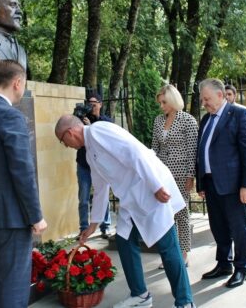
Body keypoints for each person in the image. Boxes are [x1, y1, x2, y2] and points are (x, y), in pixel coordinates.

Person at [55, 115, 196, 308]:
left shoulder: (99, 131)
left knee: (167, 246)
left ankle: (185, 302)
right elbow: (101, 188)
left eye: (63, 141)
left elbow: (135, 152)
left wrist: (155, 186)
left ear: (70, 133)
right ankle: (140, 295)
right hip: (132, 200)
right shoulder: (89, 153)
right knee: (123, 239)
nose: (67, 146)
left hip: (150, 189)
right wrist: (92, 225)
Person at [0, 59, 47, 308]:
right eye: (23, 84)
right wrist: (36, 216)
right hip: (12, 220)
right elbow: (22, 171)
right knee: (13, 289)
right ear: (17, 82)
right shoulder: (10, 117)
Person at [196, 78, 246, 289]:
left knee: (238, 228)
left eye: (207, 99)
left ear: (220, 95)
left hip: (233, 185)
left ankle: (241, 268)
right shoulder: (205, 119)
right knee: (218, 227)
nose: (204, 103)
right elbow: (201, 151)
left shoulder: (239, 114)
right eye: (203, 99)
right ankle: (224, 264)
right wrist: (201, 182)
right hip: (211, 184)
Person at [151, 84, 198, 268]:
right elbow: (154, 148)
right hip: (162, 174)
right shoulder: (157, 121)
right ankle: (171, 253)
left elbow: (193, 151)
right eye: (160, 102)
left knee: (181, 213)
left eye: (164, 102)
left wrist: (190, 176)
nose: (161, 106)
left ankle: (184, 254)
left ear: (173, 100)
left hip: (180, 174)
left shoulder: (187, 120)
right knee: (165, 215)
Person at [75, 93, 112, 239]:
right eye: (89, 103)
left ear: (100, 104)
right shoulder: (81, 120)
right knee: (83, 198)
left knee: (103, 195)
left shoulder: (105, 121)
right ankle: (83, 228)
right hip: (84, 164)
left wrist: (91, 128)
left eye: (94, 103)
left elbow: (105, 140)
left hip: (99, 165)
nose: (91, 106)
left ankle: (105, 226)